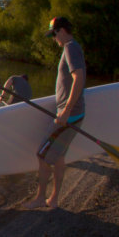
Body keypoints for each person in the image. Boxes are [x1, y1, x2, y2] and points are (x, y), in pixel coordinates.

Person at [24, 17, 86, 210]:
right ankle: (54, 199)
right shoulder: (72, 47)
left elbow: (79, 78)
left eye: (53, 34)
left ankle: (41, 198)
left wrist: (66, 111)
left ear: (61, 31)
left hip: (69, 116)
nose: (54, 39)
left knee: (42, 155)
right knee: (58, 158)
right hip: (72, 114)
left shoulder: (70, 47)